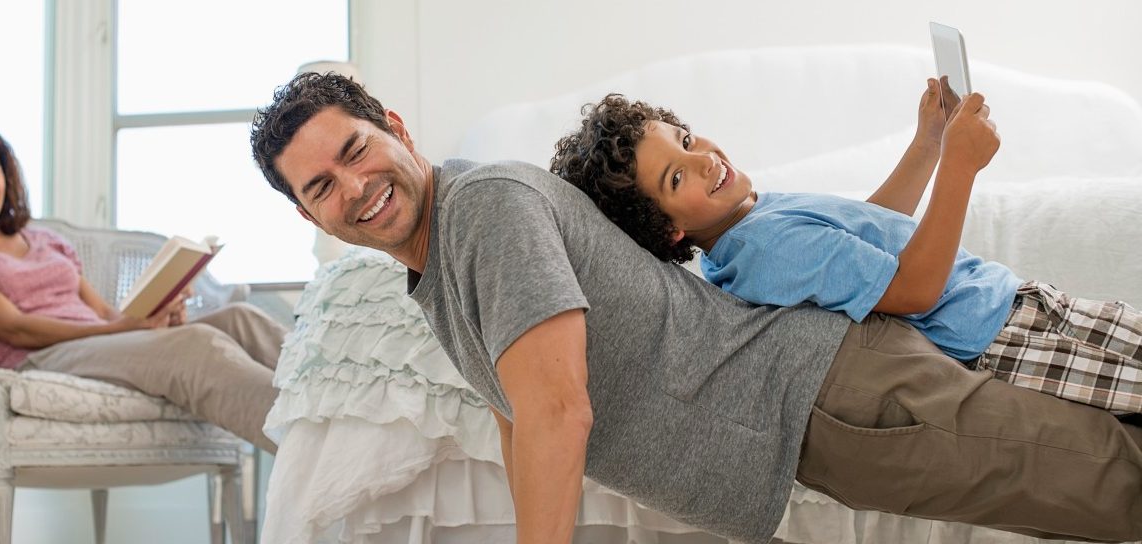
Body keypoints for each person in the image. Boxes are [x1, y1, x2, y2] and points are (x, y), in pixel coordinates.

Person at [250, 72, 1142, 543]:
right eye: (322, 187)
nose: (355, 188)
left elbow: (561, 409)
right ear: (306, 214)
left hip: (835, 394)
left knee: (1105, 477)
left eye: (358, 151)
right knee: (1095, 489)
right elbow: (519, 412)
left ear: (397, 130)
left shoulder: (483, 208)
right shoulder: (437, 270)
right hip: (828, 405)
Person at [550, 86, 1142, 415]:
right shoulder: (763, 249)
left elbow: (869, 230)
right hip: (996, 339)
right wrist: (959, 170)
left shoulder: (751, 217)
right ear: (669, 230)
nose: (702, 158)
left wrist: (929, 144)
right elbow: (913, 290)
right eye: (676, 178)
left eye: (684, 140)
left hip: (1013, 303)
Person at [0, 121, 287, 452]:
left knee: (241, 318)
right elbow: (14, 326)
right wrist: (119, 329)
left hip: (96, 343)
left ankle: (340, 400)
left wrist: (155, 315)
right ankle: (307, 443)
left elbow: (105, 313)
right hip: (41, 356)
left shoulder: (46, 240)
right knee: (196, 345)